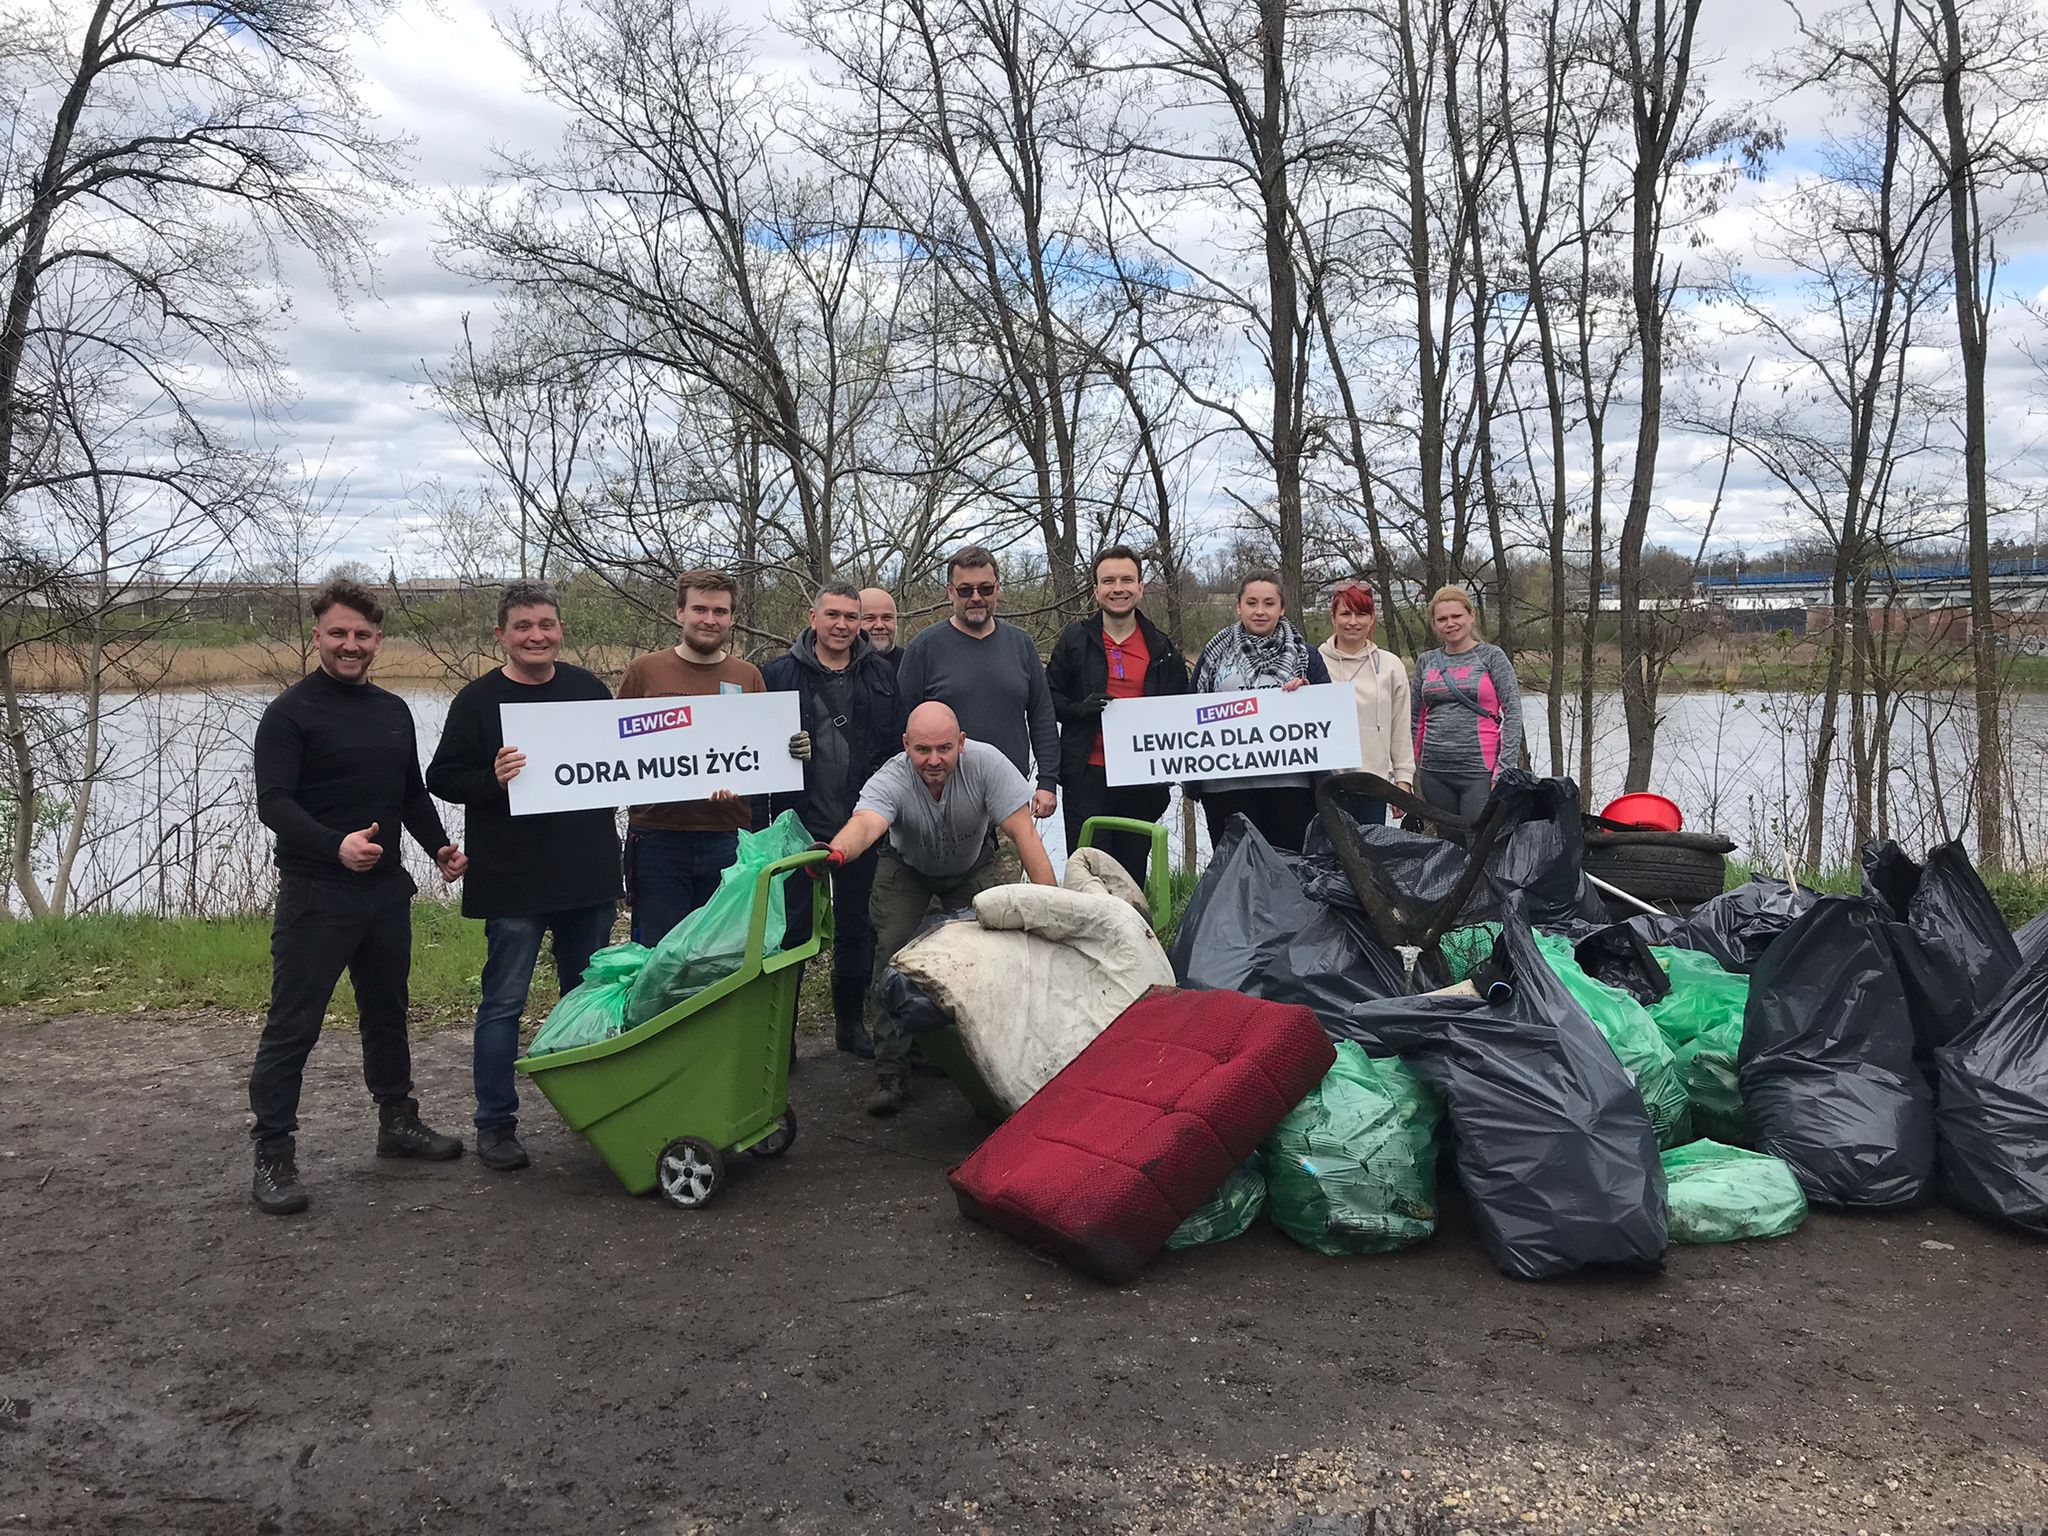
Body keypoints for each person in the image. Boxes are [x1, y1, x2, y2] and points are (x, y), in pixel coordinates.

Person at [246, 580, 470, 1216]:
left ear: (378, 641)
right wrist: (333, 845)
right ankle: (273, 1153)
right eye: (338, 634)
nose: (351, 645)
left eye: (362, 635)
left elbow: (408, 795)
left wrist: (438, 847)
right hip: (316, 894)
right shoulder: (290, 713)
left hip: (384, 894)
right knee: (294, 1026)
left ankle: (397, 1121)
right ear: (317, 635)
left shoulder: (392, 710)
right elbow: (274, 804)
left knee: (386, 1012)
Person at [425, 582, 621, 1172]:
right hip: (513, 879)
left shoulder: (589, 689)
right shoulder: (478, 701)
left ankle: (595, 1112)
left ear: (561, 629)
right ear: (501, 635)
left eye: (547, 624)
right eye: (523, 627)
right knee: (504, 1003)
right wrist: (493, 777)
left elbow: (625, 765)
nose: (537, 636)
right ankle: (495, 1123)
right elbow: (442, 778)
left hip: (586, 874)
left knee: (587, 1001)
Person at [812, 701, 1056, 1117]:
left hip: (971, 864)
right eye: (922, 750)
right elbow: (867, 824)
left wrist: (1053, 908)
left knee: (990, 955)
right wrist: (835, 854)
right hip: (907, 867)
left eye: (944, 748)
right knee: (892, 953)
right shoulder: (892, 776)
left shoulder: (988, 765)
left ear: (961, 743)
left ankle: (987, 1062)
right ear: (906, 745)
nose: (934, 760)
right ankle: (892, 1069)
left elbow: (1024, 836)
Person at [617, 568, 808, 947]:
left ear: (732, 618)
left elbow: (760, 748)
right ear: (679, 613)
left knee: (719, 954)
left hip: (728, 838)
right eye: (700, 609)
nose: (709, 619)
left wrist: (792, 748)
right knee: (657, 954)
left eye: (719, 611)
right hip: (659, 838)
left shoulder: (747, 675)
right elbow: (617, 746)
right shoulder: (645, 673)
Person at [761, 581, 904, 1059]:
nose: (842, 625)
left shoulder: (881, 675)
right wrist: (780, 748)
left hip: (861, 821)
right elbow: (753, 749)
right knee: (792, 932)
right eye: (833, 615)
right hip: (798, 823)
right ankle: (781, 1036)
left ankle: (850, 1026)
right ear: (813, 617)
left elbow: (892, 749)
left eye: (851, 616)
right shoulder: (777, 674)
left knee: (856, 927)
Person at [1046, 544, 1190, 888]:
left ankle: (1130, 939)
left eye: (1127, 579)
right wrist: (1080, 709)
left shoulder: (1162, 648)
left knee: (1129, 879)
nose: (1118, 588)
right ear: (1096, 589)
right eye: (1108, 581)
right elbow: (1048, 698)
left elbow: (1181, 713)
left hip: (1140, 779)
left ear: (1140, 587)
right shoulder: (1075, 640)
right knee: (1086, 877)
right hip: (1087, 774)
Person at [895, 547, 1059, 825]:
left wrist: (1047, 781)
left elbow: (1042, 716)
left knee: (1011, 868)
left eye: (984, 588)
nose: (976, 598)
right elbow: (899, 724)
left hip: (1009, 797)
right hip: (940, 798)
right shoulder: (924, 648)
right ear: (950, 592)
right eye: (965, 590)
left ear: (998, 589)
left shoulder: (1021, 645)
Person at [1188, 569, 1333, 853]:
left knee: (1290, 874)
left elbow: (1329, 721)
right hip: (1224, 789)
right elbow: (1190, 713)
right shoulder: (1214, 654)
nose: (1260, 611)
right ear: (1239, 606)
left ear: (1282, 608)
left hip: (1291, 789)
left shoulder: (1307, 656)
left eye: (1269, 603)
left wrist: (1307, 697)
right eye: (1252, 603)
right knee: (1234, 875)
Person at [1411, 585, 1524, 821]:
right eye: (1442, 619)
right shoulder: (1426, 661)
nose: (1449, 623)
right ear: (1434, 624)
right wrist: (1408, 768)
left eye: (1456, 616)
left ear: (1471, 616)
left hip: (1479, 773)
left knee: (1482, 845)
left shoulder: (1492, 657)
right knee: (1449, 846)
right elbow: (1415, 719)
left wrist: (1504, 770)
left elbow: (1512, 713)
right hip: (1435, 772)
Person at [1317, 583, 1414, 827]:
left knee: (1368, 860)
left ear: (1372, 618)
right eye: (1345, 614)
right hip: (1326, 786)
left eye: (1361, 614)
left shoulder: (1391, 665)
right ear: (1333, 617)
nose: (1353, 622)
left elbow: (1400, 727)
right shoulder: (1314, 661)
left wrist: (1403, 780)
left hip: (1373, 785)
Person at [859, 587, 902, 672]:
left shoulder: (913, 663)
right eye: (870, 618)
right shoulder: (838, 669)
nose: (879, 625)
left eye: (887, 618)